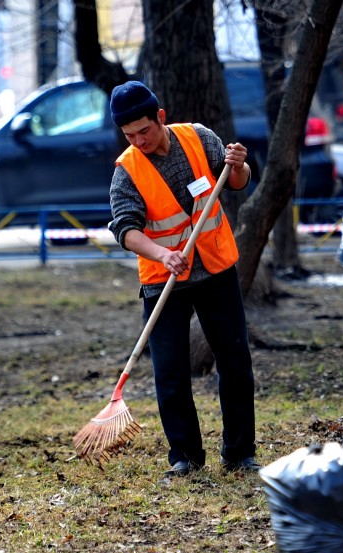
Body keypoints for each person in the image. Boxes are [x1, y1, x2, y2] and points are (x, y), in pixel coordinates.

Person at [106, 81, 260, 478]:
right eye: (129, 135)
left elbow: (238, 182)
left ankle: (239, 452)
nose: (139, 140)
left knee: (235, 361)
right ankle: (185, 457)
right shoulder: (127, 171)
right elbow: (125, 230)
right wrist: (163, 254)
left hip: (215, 268)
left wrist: (239, 165)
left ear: (161, 117)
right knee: (170, 372)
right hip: (163, 280)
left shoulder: (199, 139)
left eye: (145, 130)